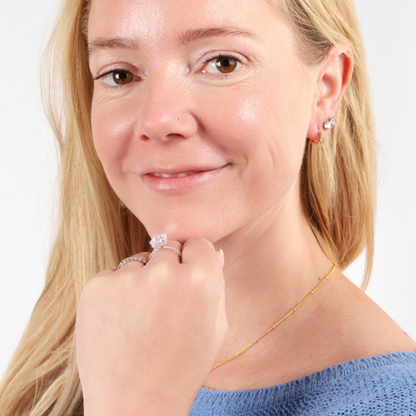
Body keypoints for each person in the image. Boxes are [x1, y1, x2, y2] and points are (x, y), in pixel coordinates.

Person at [1, 0, 415, 414]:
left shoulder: (389, 403)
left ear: (325, 89)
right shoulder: (70, 362)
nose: (158, 120)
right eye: (120, 73)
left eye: (222, 63)